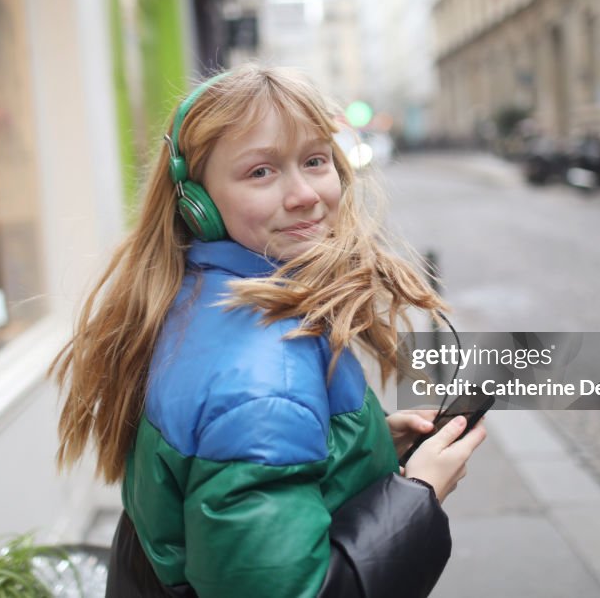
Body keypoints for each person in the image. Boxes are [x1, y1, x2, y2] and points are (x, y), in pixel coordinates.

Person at [49, 65, 487, 598]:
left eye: (315, 161)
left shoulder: (198, 290)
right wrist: (419, 493)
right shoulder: (261, 383)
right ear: (197, 203)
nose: (304, 194)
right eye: (261, 171)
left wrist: (356, 448)